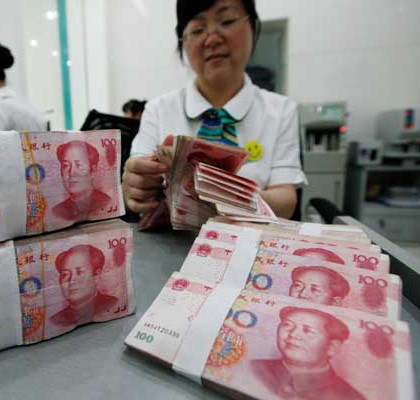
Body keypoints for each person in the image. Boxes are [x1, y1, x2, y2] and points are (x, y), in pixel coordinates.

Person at [122, 0, 306, 219]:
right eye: (197, 30)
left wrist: (218, 196)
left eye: (227, 21)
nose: (212, 39)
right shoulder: (158, 110)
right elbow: (136, 180)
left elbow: (285, 200)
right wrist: (133, 186)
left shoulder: (282, 110)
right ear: (183, 41)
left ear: (253, 28)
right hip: (174, 248)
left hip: (252, 243)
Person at [250, 306, 365, 399]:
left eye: (308, 330)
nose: (293, 335)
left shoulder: (349, 397)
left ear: (332, 347)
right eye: (287, 325)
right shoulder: (253, 368)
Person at [50, 245, 118, 327]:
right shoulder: (56, 320)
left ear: (97, 276)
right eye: (65, 274)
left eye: (80, 272)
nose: (71, 281)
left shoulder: (113, 304)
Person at [51, 140, 112, 221]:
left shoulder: (106, 203)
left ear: (93, 171)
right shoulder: (57, 211)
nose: (72, 173)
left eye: (78, 165)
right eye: (65, 165)